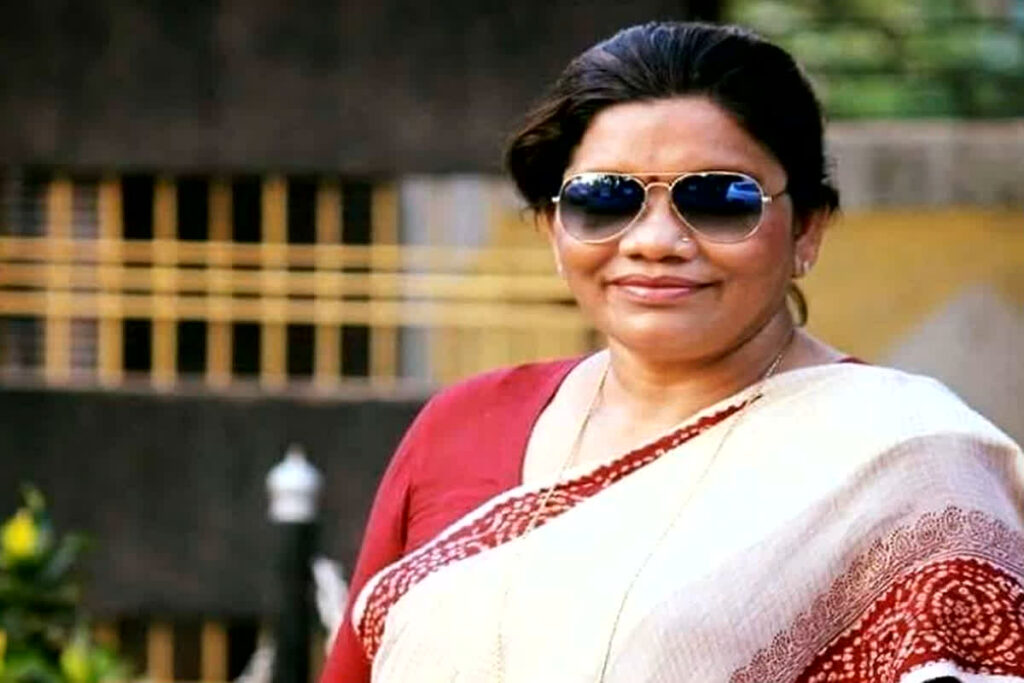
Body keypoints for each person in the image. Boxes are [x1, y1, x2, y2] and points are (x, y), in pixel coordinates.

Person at [321, 21, 1024, 683]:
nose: (655, 241)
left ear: (808, 229)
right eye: (604, 199)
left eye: (719, 199)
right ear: (551, 228)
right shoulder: (462, 427)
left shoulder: (908, 464)